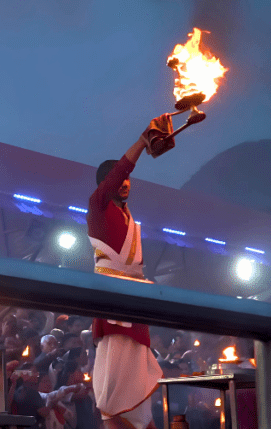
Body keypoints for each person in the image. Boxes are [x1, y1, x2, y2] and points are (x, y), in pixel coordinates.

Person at [86, 114, 169, 429]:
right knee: (114, 398)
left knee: (139, 400)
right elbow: (119, 171)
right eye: (118, 179)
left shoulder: (128, 218)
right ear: (105, 185)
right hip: (113, 307)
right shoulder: (98, 208)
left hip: (135, 305)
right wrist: (141, 142)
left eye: (128, 179)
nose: (125, 182)